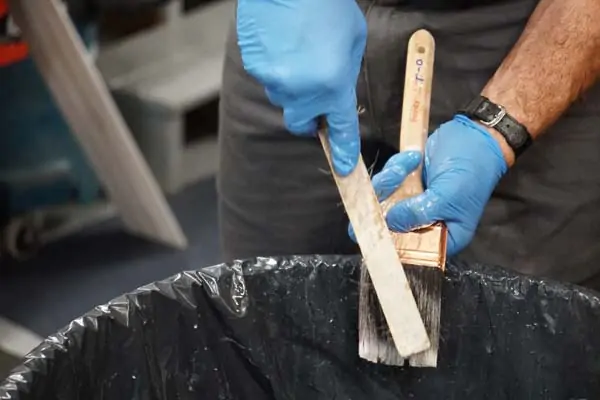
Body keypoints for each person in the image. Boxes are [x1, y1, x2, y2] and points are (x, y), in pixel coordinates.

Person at [217, 0, 600, 289]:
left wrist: (497, 130)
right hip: (299, 29)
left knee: (512, 348)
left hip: (532, 29)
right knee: (264, 315)